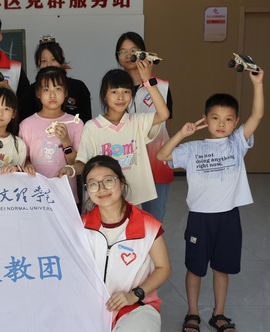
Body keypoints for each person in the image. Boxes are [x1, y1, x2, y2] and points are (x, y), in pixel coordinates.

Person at [156, 68, 264, 332]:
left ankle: (219, 313)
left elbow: (257, 115)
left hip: (228, 217)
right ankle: (192, 312)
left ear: (236, 122)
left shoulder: (237, 143)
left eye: (228, 119)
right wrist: (182, 133)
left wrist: (258, 84)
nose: (221, 124)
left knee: (221, 268)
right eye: (215, 118)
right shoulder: (193, 149)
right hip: (199, 218)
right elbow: (162, 155)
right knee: (195, 268)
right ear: (206, 119)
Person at [47, 155, 171, 332]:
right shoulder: (81, 227)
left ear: (121, 183)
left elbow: (163, 268)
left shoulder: (147, 224)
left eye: (108, 180)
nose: (101, 189)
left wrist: (135, 294)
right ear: (87, 190)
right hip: (92, 310)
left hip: (136, 306)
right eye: (93, 184)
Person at [75, 69, 169, 206]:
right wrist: (70, 170)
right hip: (104, 200)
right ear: (104, 96)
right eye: (114, 92)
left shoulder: (137, 122)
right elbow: (83, 162)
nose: (120, 97)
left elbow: (164, 114)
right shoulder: (92, 127)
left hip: (134, 200)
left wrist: (148, 81)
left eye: (126, 91)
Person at [116, 32, 173, 222]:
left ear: (143, 53)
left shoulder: (162, 86)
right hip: (124, 165)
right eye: (122, 51)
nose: (128, 55)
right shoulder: (114, 87)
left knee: (152, 223)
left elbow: (167, 126)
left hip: (155, 164)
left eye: (133, 50)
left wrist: (147, 79)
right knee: (125, 223)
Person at [19, 67, 83, 201]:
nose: (52, 95)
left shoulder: (75, 123)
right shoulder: (26, 124)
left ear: (65, 92)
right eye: (46, 90)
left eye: (58, 89)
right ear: (38, 93)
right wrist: (27, 164)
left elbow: (78, 164)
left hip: (65, 195)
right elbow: (22, 158)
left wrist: (66, 141)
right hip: (35, 194)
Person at [28, 37, 92, 124]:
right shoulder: (30, 91)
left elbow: (86, 123)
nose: (49, 64)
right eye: (43, 61)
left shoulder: (79, 87)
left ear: (62, 60)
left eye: (53, 59)